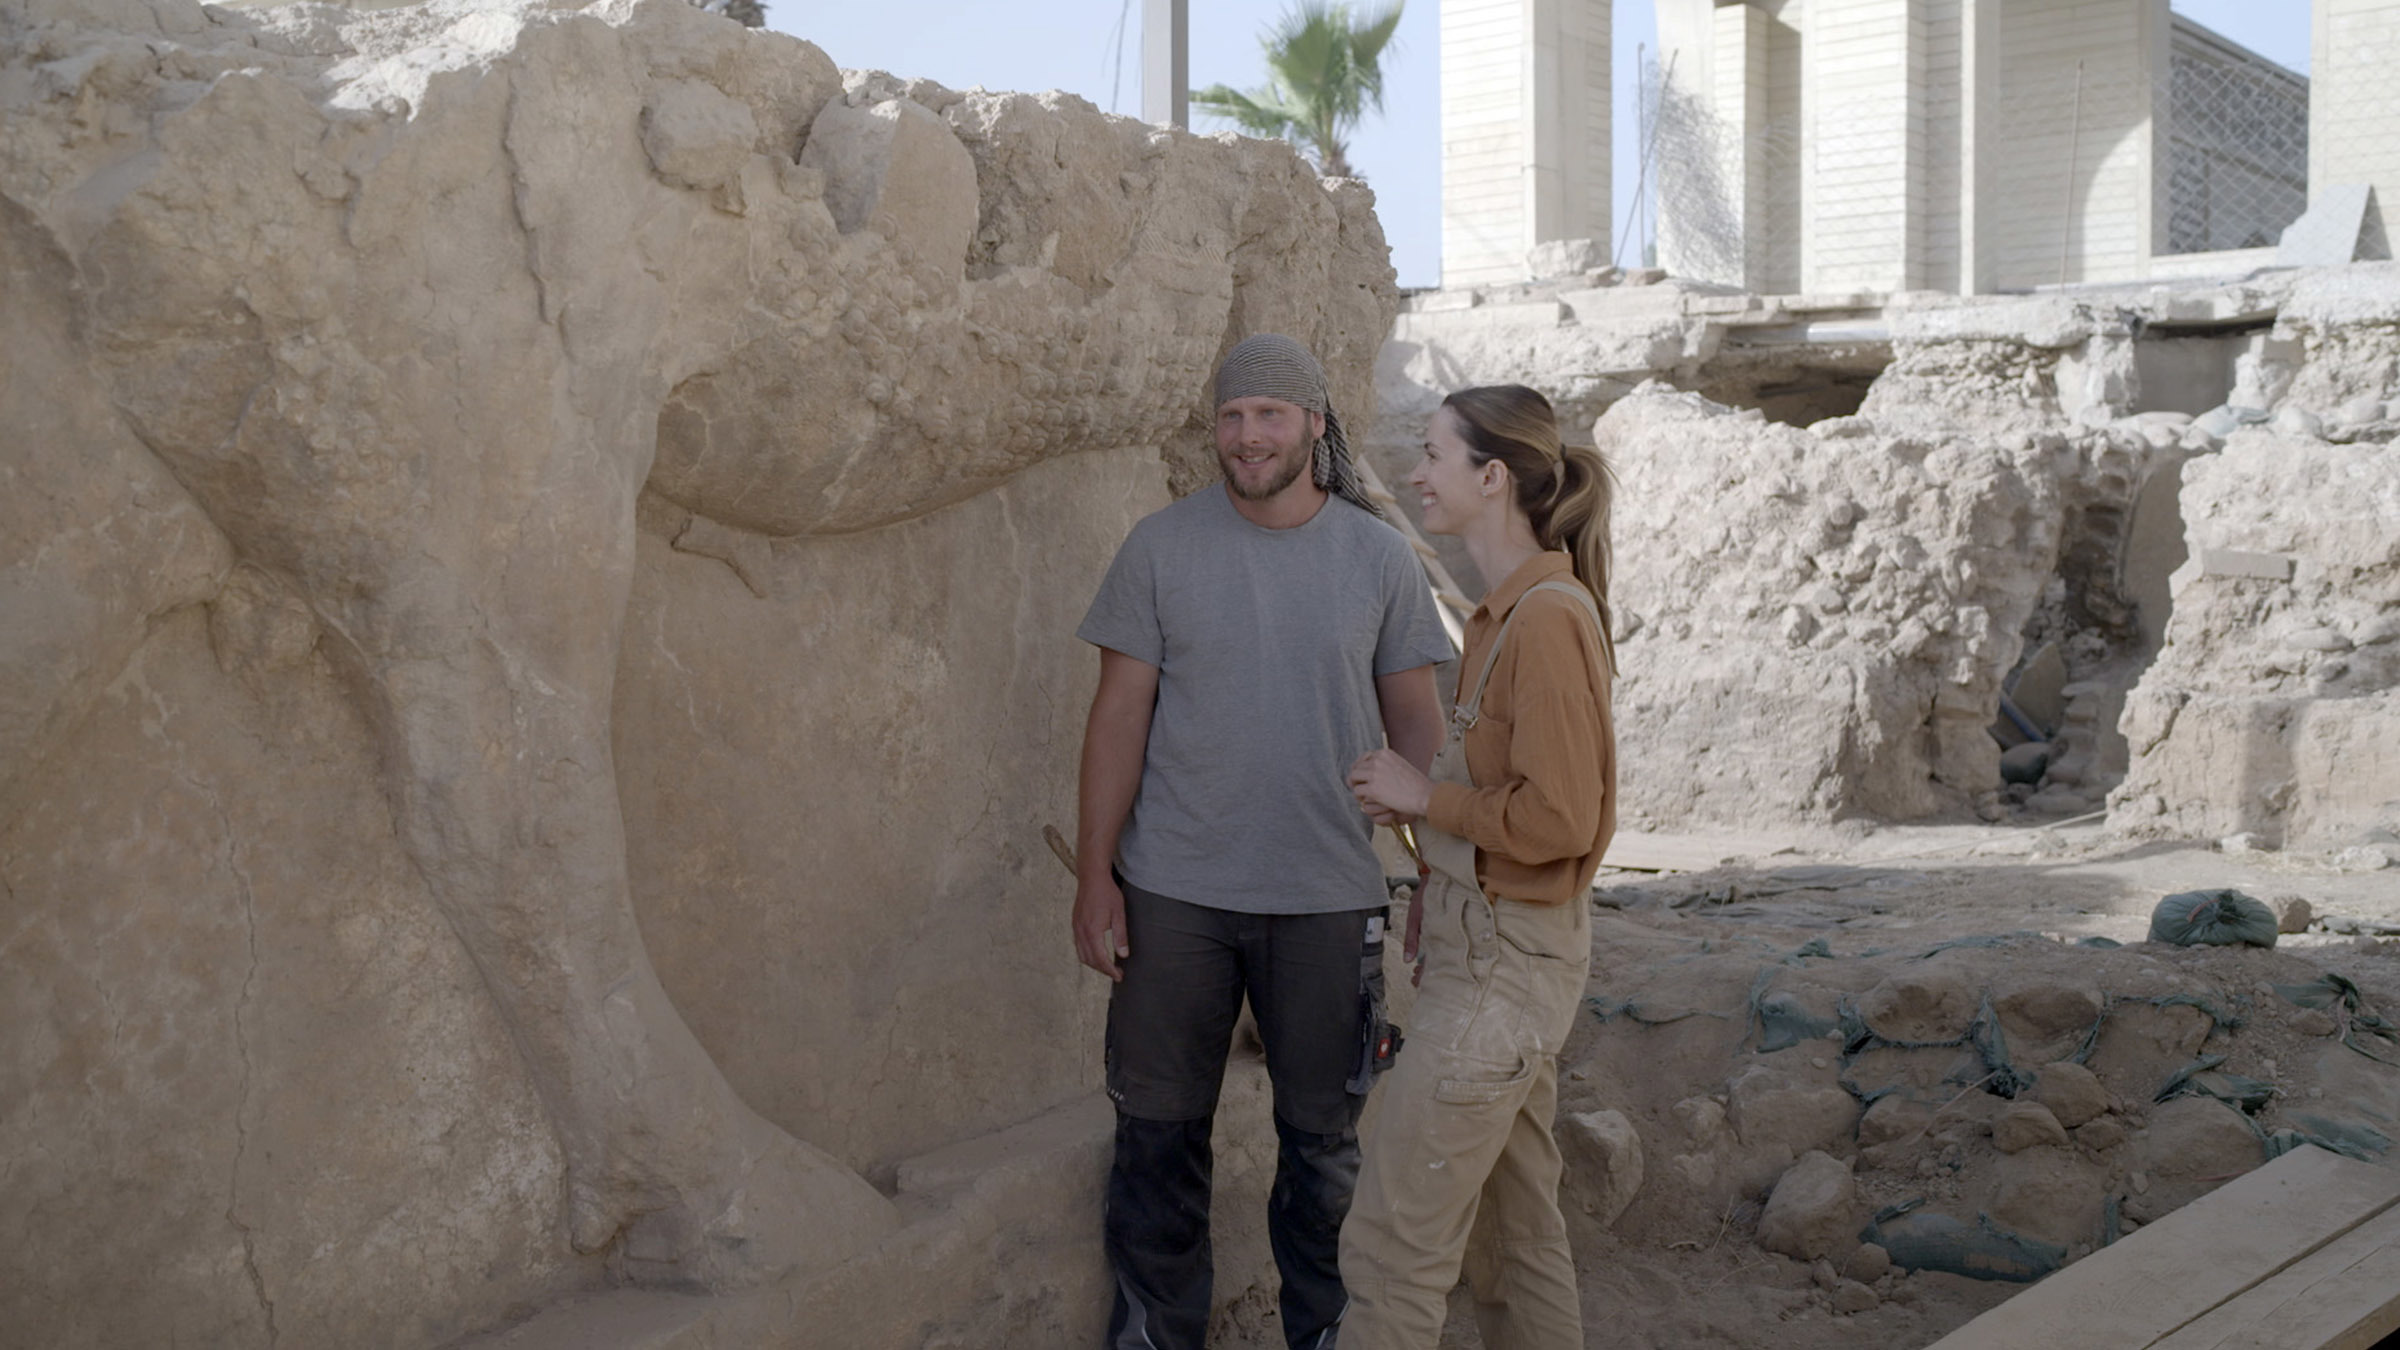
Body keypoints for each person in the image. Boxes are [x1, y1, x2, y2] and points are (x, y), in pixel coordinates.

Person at [1072, 333, 1453, 1350]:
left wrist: (1435, 873)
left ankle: (1327, 1338)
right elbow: (1117, 719)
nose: (1249, 435)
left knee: (1324, 1151)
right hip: (1173, 893)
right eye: (1233, 416)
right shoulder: (1160, 547)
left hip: (1328, 892)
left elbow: (1417, 727)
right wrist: (1097, 875)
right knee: (1157, 1139)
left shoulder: (1377, 557)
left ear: (1314, 426)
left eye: (1270, 415)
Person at [1335, 385, 1619, 1350]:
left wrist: (1426, 799)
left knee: (1390, 1249)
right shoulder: (1508, 614)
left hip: (1500, 979)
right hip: (1489, 958)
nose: (1415, 473)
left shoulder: (1544, 619)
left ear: (1493, 476)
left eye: (1433, 454)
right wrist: (1439, 864)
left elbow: (1561, 818)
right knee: (1512, 1236)